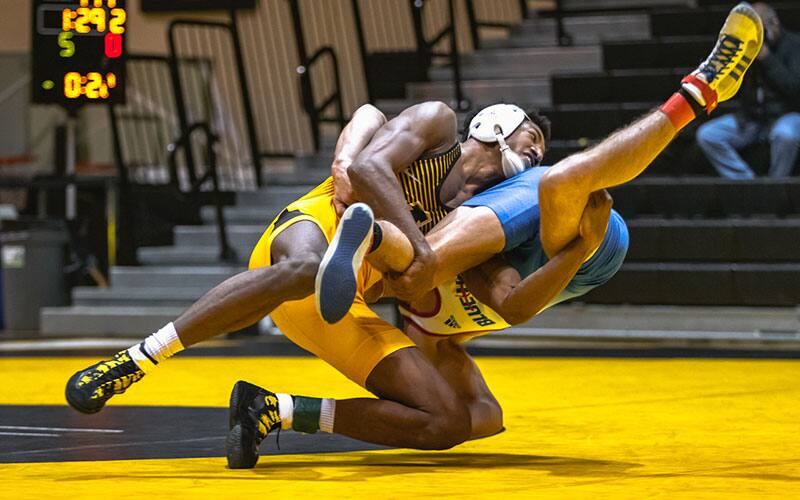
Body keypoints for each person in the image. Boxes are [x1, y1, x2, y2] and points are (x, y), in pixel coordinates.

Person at [227, 2, 763, 468]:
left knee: (555, 182)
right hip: (555, 260)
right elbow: (512, 307)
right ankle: (280, 408)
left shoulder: (491, 190)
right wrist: (575, 256)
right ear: (493, 125)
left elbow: (371, 123)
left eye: (534, 150)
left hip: (571, 230)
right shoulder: (439, 250)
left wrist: (580, 244)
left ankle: (697, 92)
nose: (529, 156)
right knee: (474, 418)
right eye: (527, 143)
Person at [696, 2, 800, 178]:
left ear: (774, 22)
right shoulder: (747, 48)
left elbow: (794, 88)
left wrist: (768, 59)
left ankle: (776, 186)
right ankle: (747, 183)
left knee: (786, 135)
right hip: (752, 117)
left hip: (786, 113)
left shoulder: (794, 45)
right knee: (708, 134)